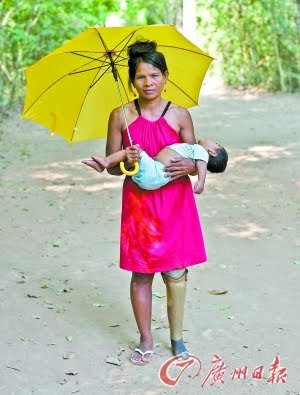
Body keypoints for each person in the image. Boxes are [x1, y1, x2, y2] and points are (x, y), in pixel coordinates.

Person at [86, 40, 213, 365]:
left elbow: (193, 156)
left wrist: (190, 169)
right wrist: (122, 160)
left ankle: (177, 337)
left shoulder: (181, 115)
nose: (149, 83)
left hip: (175, 203)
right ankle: (145, 338)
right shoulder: (120, 116)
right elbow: (114, 170)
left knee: (176, 272)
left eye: (155, 75)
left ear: (166, 76)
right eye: (141, 77)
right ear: (132, 81)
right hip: (140, 207)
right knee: (141, 273)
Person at [82, 137, 228, 194]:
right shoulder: (193, 151)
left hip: (156, 174)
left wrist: (201, 181)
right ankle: (104, 164)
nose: (213, 140)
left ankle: (106, 162)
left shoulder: (200, 152)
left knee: (135, 149)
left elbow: (201, 164)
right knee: (135, 154)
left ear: (212, 152)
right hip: (153, 175)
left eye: (217, 143)